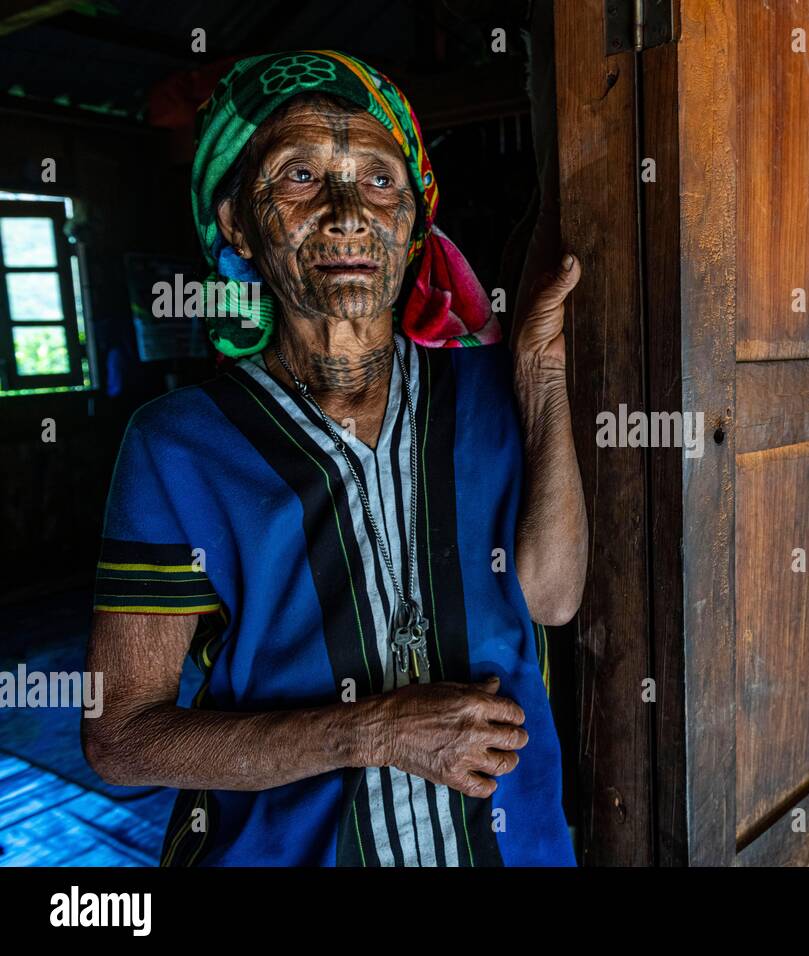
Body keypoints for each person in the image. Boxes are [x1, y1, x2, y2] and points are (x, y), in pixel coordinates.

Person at [82, 50, 587, 867]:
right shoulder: (177, 446)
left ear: (416, 221)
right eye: (301, 176)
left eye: (381, 182)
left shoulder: (493, 390)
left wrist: (541, 373)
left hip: (509, 843)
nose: (349, 211)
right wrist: (374, 731)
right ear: (238, 223)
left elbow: (555, 596)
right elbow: (122, 739)